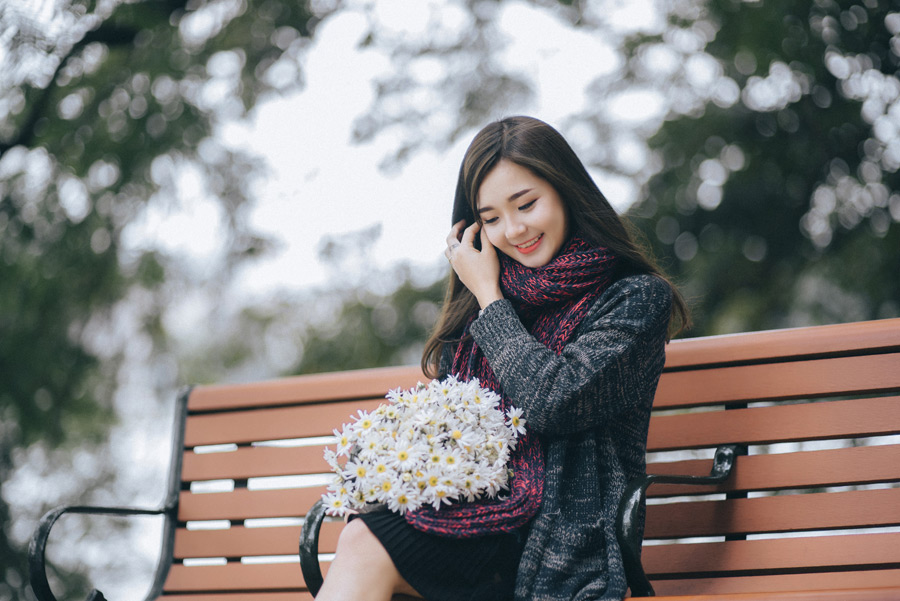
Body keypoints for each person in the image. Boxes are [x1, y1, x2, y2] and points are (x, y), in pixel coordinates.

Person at [314, 115, 690, 601]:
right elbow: (447, 428)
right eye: (490, 218)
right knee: (362, 536)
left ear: (566, 191)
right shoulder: (480, 313)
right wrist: (383, 483)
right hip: (472, 528)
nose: (513, 230)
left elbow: (554, 400)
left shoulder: (634, 299)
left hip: (559, 549)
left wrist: (490, 298)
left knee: (365, 547)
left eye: (526, 204)